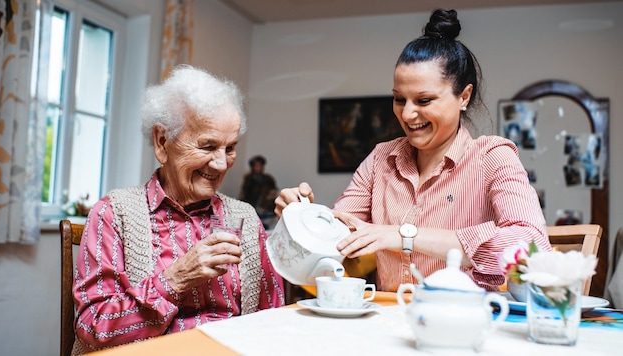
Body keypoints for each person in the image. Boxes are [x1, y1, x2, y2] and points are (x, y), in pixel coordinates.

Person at [275, 9, 551, 293]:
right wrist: (302, 215)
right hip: (387, 322)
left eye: (424, 100)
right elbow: (338, 240)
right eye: (398, 99)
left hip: (465, 324)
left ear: (464, 96)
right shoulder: (381, 159)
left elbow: (531, 245)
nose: (407, 114)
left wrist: (405, 236)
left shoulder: (493, 157)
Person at [71, 65, 285, 354]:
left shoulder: (244, 218)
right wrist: (175, 279)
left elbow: (272, 316)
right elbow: (92, 326)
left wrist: (297, 228)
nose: (222, 164)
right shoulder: (114, 214)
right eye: (208, 146)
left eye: (230, 148)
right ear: (162, 142)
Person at [239, 155, 278, 227]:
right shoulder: (248, 178)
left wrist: (270, 197)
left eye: (260, 165)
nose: (258, 167)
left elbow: (273, 192)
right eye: (256, 165)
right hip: (251, 207)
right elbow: (244, 193)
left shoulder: (268, 179)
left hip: (266, 208)